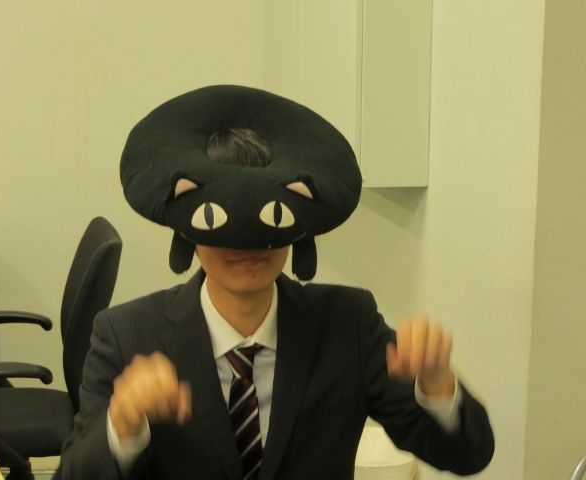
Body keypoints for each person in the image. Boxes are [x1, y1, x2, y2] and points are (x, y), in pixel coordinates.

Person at [55, 88, 494, 479]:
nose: (246, 244)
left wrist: (438, 384)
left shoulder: (348, 326)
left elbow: (467, 456)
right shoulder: (126, 335)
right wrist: (123, 426)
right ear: (188, 229)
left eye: (262, 226)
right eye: (225, 226)